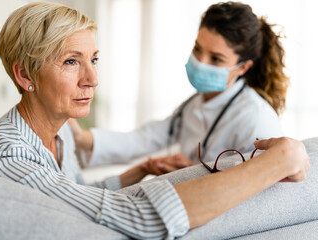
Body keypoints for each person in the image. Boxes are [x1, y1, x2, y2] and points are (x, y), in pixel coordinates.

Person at [0, 2, 309, 239]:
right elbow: (137, 218)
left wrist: (138, 171)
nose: (92, 78)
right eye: (71, 61)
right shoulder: (10, 159)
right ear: (24, 75)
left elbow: (75, 197)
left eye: (94, 59)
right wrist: (281, 159)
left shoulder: (58, 133)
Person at [71, 1, 289, 175]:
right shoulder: (194, 104)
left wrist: (196, 176)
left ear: (243, 68)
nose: (200, 62)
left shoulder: (256, 118)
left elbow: (259, 188)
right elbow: (144, 139)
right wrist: (80, 137)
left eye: (216, 59)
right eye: (197, 49)